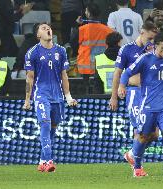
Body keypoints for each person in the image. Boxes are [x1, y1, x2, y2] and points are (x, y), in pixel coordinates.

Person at [118, 32, 163, 177]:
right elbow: (127, 73)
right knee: (143, 137)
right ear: (155, 47)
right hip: (148, 106)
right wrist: (122, 86)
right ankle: (137, 167)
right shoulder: (145, 59)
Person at [23, 23, 77, 172]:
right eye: (43, 28)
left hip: (58, 97)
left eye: (48, 27)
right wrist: (28, 99)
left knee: (52, 130)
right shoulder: (32, 52)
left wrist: (68, 97)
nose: (47, 29)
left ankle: (41, 161)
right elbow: (30, 78)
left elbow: (64, 75)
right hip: (41, 95)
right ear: (38, 35)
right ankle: (48, 160)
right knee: (45, 125)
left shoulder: (61, 50)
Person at [109, 21, 158, 173]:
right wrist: (114, 96)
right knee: (141, 131)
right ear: (142, 32)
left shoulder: (153, 50)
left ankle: (131, 154)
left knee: (154, 134)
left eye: (153, 39)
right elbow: (118, 73)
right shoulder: (127, 49)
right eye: (149, 38)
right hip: (134, 93)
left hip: (150, 94)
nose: (151, 42)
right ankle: (137, 167)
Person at [77, 2, 113, 76]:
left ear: (89, 14)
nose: (85, 12)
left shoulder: (82, 29)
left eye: (86, 11)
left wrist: (78, 25)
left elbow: (74, 44)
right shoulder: (108, 30)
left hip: (86, 68)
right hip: (102, 67)